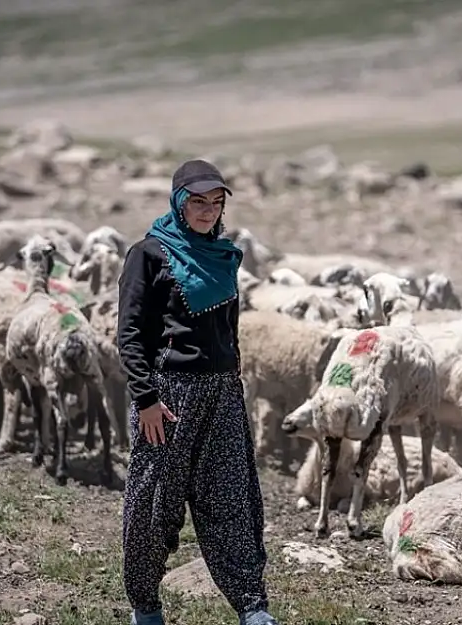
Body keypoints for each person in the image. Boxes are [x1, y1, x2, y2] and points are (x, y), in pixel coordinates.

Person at [116, 159, 279, 625]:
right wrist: (145, 398)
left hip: (223, 393)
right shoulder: (147, 254)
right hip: (168, 395)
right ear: (178, 202)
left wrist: (234, 380)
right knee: (152, 502)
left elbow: (230, 328)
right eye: (198, 201)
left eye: (216, 202)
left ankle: (252, 605)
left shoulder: (224, 255)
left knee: (231, 497)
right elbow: (130, 333)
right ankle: (145, 607)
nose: (208, 211)